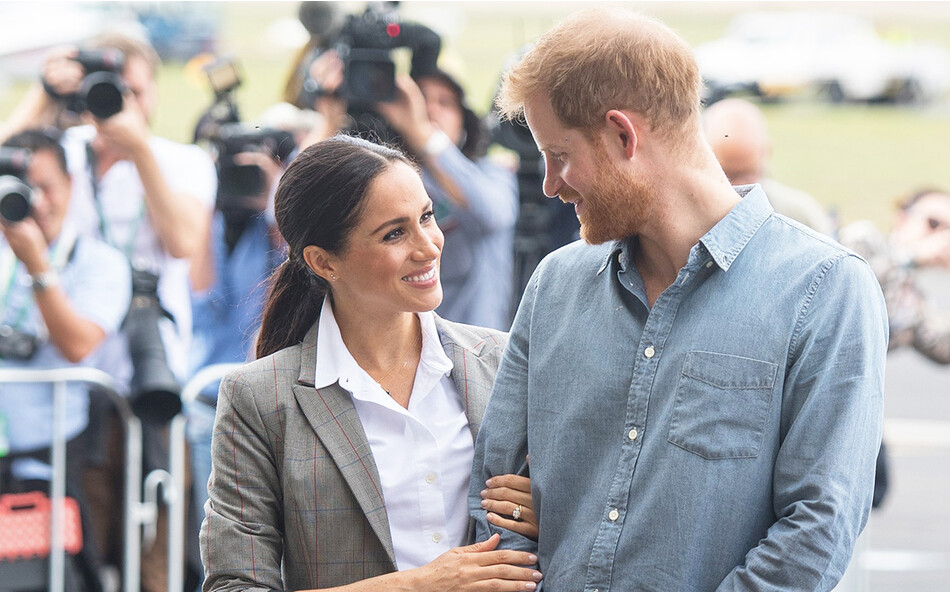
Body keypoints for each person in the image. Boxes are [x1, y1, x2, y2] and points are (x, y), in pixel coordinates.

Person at [470, 9, 888, 591]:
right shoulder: (554, 284)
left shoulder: (825, 290)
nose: (549, 185)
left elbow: (817, 529)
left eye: (559, 155)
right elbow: (493, 498)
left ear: (623, 135)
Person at [200, 135, 542, 591]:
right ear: (324, 262)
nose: (429, 246)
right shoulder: (258, 398)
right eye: (394, 233)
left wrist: (552, 512)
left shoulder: (502, 362)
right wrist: (421, 585)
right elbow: (234, 586)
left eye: (427, 216)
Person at [0, 128, 131, 591]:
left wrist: (38, 266)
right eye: (16, 183)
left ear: (71, 185)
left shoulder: (100, 261)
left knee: (56, 578)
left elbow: (77, 344)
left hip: (55, 458)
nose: (33, 200)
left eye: (44, 186)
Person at [303, 50, 519, 330]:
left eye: (445, 102)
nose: (428, 110)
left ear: (465, 119)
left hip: (472, 351)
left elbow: (493, 214)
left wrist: (422, 134)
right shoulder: (381, 183)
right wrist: (329, 120)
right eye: (418, 99)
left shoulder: (491, 172)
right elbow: (289, 215)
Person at [839, 188, 950, 364]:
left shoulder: (912, 300)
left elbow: (943, 347)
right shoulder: (865, 237)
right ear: (903, 217)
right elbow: (847, 281)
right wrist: (912, 256)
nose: (942, 237)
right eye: (934, 223)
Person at [703, 97, 836, 235]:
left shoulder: (800, 217)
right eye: (727, 177)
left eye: (748, 176)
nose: (740, 188)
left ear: (767, 152)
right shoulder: (689, 223)